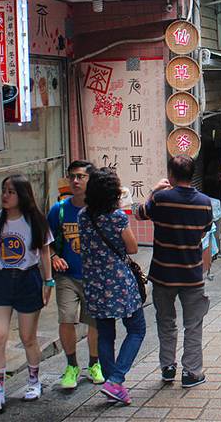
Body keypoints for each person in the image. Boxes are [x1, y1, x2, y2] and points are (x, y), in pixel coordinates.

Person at [137, 156, 212, 388]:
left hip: (163, 274)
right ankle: (191, 372)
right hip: (191, 274)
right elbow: (204, 232)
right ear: (192, 174)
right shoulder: (205, 203)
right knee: (193, 324)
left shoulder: (160, 199)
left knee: (165, 321)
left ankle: (168, 368)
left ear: (171, 174)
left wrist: (153, 190)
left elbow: (140, 213)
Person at [0, 175, 54, 412]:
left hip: (27, 280)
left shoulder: (35, 220)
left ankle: (34, 382)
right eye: (4, 190)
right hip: (0, 280)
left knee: (28, 337)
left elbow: (44, 252)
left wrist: (48, 282)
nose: (5, 195)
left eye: (11, 192)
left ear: (22, 195)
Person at [79, 168, 145, 405]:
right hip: (118, 282)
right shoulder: (117, 217)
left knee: (105, 334)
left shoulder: (83, 216)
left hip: (94, 283)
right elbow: (132, 247)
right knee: (137, 329)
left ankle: (111, 384)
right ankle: (115, 380)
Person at [48, 160, 104, 389]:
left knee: (94, 322)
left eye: (81, 176)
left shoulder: (99, 209)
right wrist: (53, 256)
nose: (75, 181)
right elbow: (46, 241)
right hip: (67, 276)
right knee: (66, 318)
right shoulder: (59, 210)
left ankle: (94, 363)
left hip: (93, 276)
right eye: (72, 176)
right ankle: (71, 366)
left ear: (91, 180)